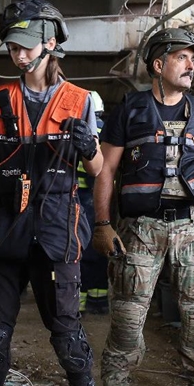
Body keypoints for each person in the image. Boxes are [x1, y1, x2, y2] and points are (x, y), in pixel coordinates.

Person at [0, 0, 108, 386]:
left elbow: (98, 170)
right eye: (11, 47)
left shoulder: (80, 101)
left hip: (56, 228)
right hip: (7, 227)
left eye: (24, 45)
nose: (17, 54)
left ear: (49, 43)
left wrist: (89, 148)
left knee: (64, 328)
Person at [92, 27, 194, 386]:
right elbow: (106, 170)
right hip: (140, 229)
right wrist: (102, 223)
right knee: (127, 319)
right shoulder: (131, 109)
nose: (191, 66)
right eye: (182, 57)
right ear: (158, 65)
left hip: (193, 228)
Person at [78, 91, 109, 314]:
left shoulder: (78, 129)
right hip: (103, 197)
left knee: (79, 247)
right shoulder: (108, 130)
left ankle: (77, 303)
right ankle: (99, 301)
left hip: (79, 197)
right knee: (100, 247)